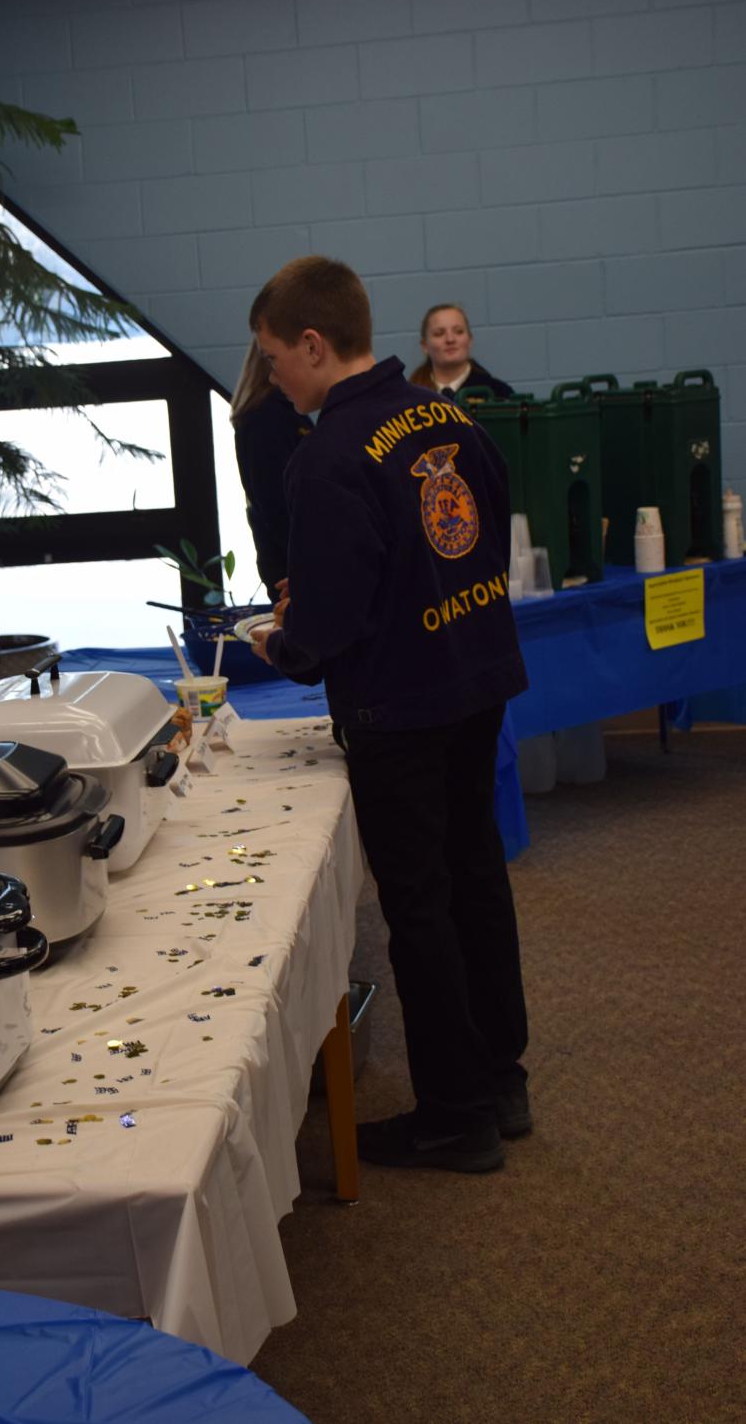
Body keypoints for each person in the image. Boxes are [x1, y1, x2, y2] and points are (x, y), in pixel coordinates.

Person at [247, 256, 530, 1174]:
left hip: (398, 705)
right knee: (477, 872)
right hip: (475, 676)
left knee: (421, 905)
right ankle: (500, 1076)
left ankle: (454, 1116)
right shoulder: (451, 415)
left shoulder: (325, 455)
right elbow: (475, 529)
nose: (275, 376)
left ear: (314, 344)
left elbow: (326, 627)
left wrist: (284, 641)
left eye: (275, 355)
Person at [230, 337, 313, 599]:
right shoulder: (265, 416)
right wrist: (313, 563)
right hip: (290, 561)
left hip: (296, 556)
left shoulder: (288, 409)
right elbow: (277, 503)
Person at [409, 304, 513, 400]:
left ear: (470, 340)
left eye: (459, 331)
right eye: (439, 333)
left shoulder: (499, 393)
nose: (450, 339)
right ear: (425, 345)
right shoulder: (407, 396)